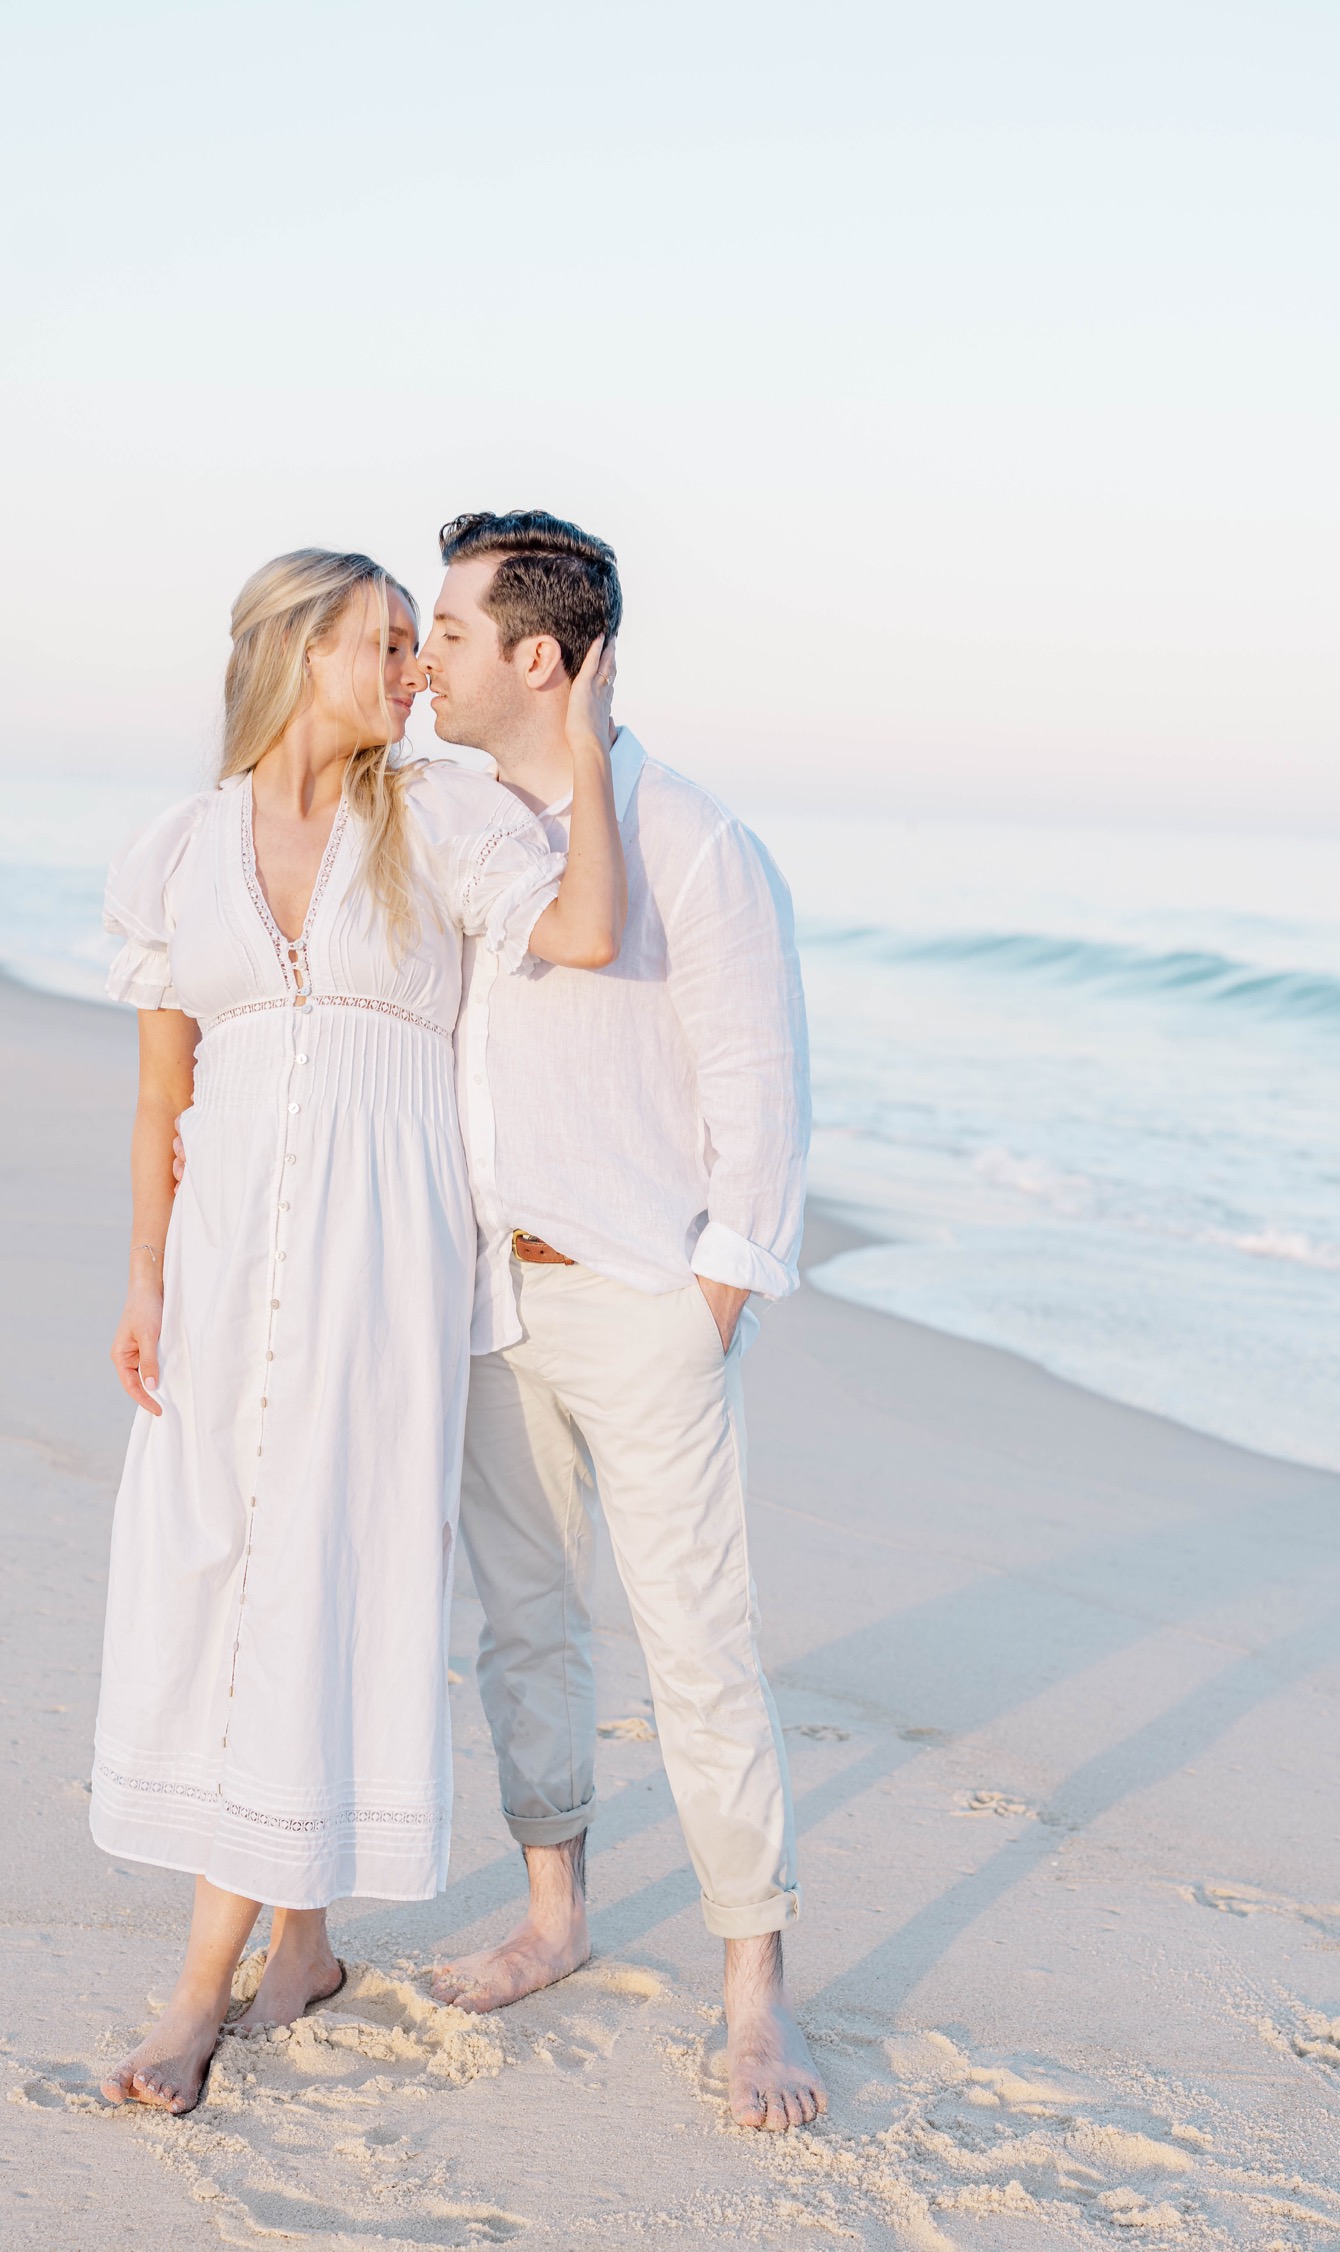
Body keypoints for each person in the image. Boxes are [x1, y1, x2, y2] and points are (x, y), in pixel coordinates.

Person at [93, 547, 624, 2115]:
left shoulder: (439, 817)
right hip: (224, 1258)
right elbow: (158, 1095)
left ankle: (200, 1992)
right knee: (230, 1583)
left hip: (383, 1269)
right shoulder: (176, 854)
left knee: (317, 1580)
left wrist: (582, 747)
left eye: (416, 641)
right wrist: (142, 1278)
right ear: (290, 651)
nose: (410, 671)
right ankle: (299, 1946)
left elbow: (585, 935)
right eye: (381, 642)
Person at [418, 511, 826, 2132]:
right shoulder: (450, 823)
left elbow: (763, 1106)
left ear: (539, 660)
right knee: (524, 1628)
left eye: (449, 631)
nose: (424, 660)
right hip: (487, 1299)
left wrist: (707, 1300)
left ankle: (755, 1995)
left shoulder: (698, 843)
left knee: (699, 1655)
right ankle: (556, 1913)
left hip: (643, 1304)